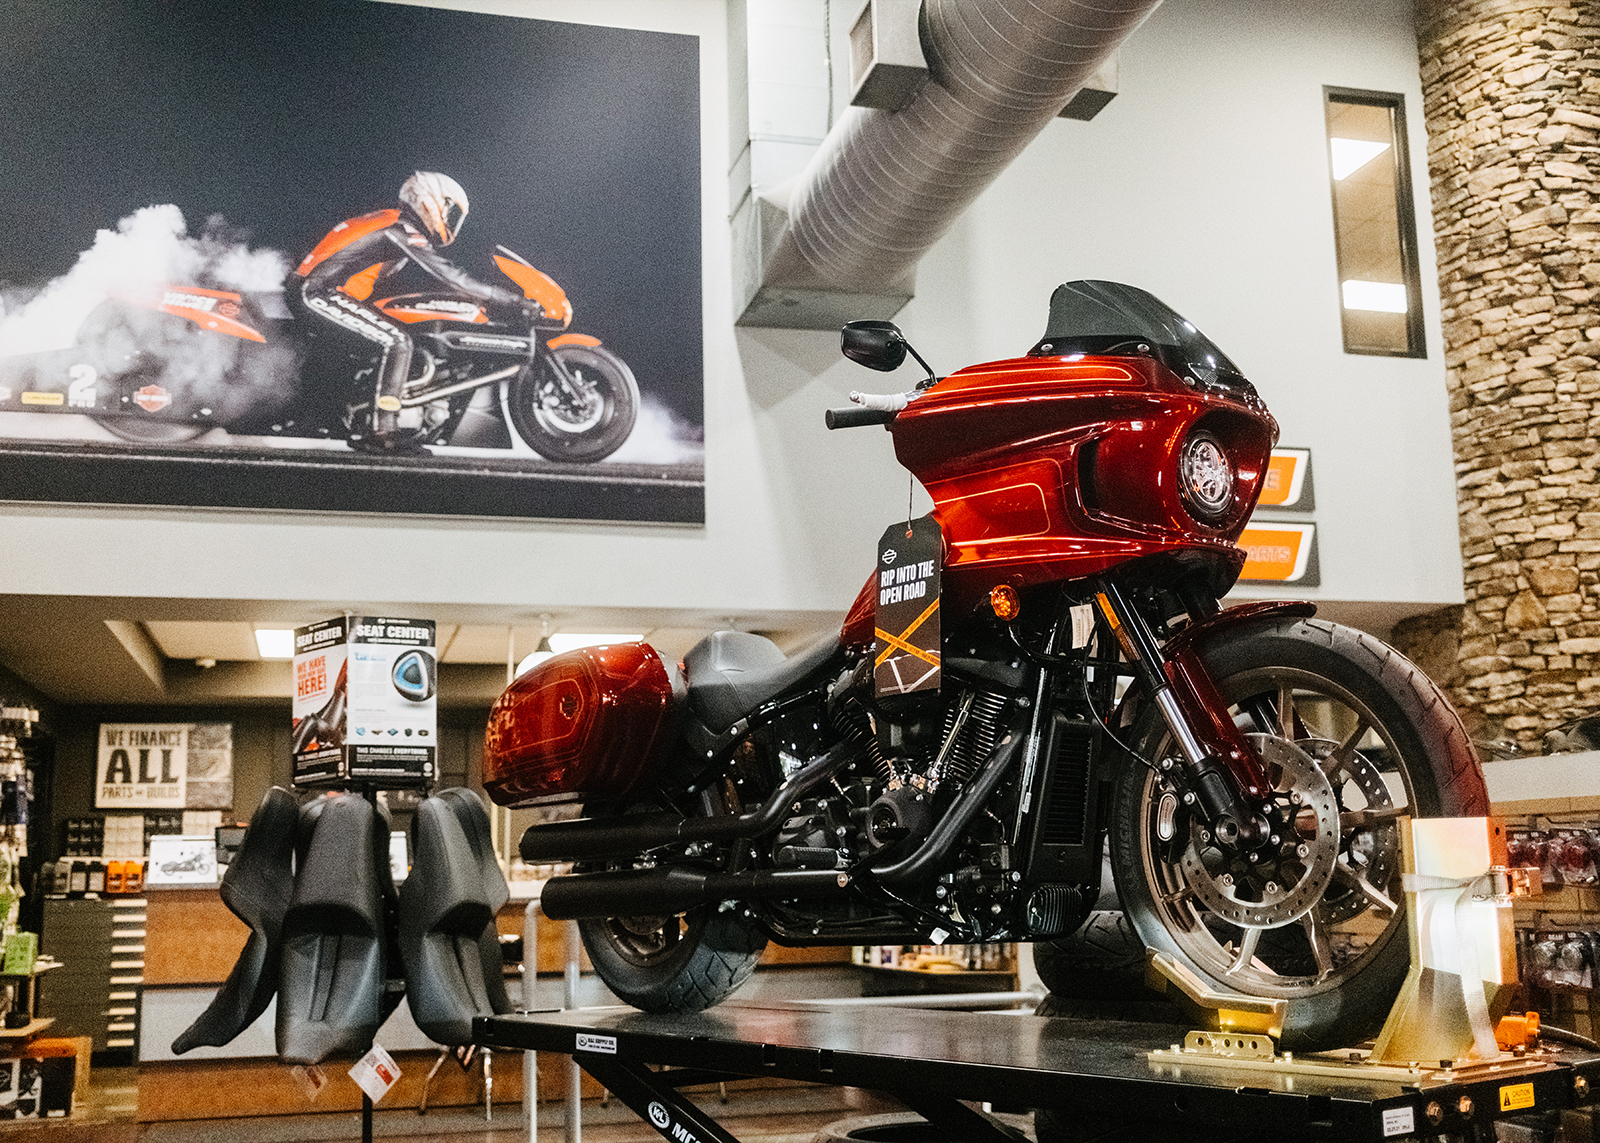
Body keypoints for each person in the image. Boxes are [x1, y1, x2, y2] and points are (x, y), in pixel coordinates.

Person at [294, 171, 533, 448]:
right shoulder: (401, 229)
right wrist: (508, 299)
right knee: (396, 341)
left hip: (322, 290)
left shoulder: (389, 220)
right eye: (449, 210)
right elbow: (450, 275)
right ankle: (382, 430)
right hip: (318, 292)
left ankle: (354, 414)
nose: (450, 220)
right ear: (429, 200)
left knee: (393, 330)